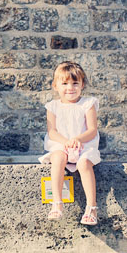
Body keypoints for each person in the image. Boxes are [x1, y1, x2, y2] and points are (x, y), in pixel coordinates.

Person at [39, 61, 100, 225]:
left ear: (82, 84)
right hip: (61, 144)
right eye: (64, 83)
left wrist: (77, 140)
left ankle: (91, 208)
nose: (70, 88)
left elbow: (92, 129)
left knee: (84, 164)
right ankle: (57, 203)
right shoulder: (53, 106)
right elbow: (52, 132)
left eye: (75, 83)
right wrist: (66, 142)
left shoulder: (88, 104)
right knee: (58, 157)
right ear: (55, 86)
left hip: (84, 144)